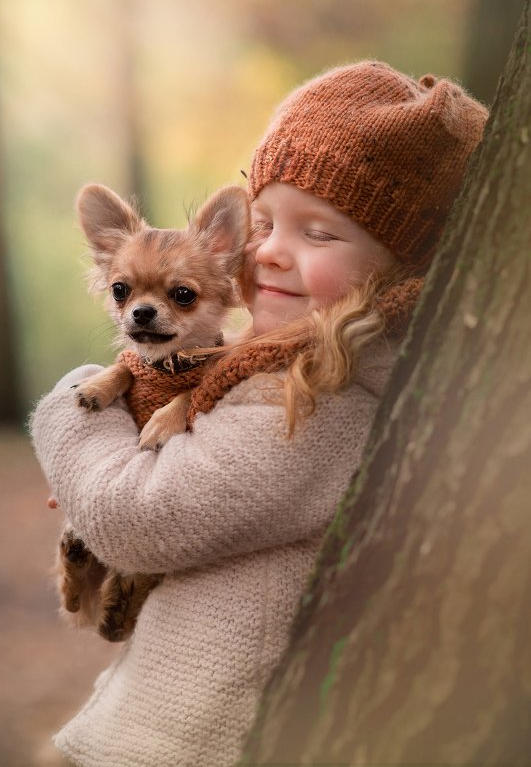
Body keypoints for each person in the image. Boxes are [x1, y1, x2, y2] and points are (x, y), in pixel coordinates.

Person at [30, 60, 488, 767]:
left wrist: (77, 407)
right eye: (264, 222)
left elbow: (139, 520)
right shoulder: (259, 367)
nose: (270, 251)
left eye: (319, 233)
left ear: (402, 267)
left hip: (201, 737)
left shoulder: (316, 400)